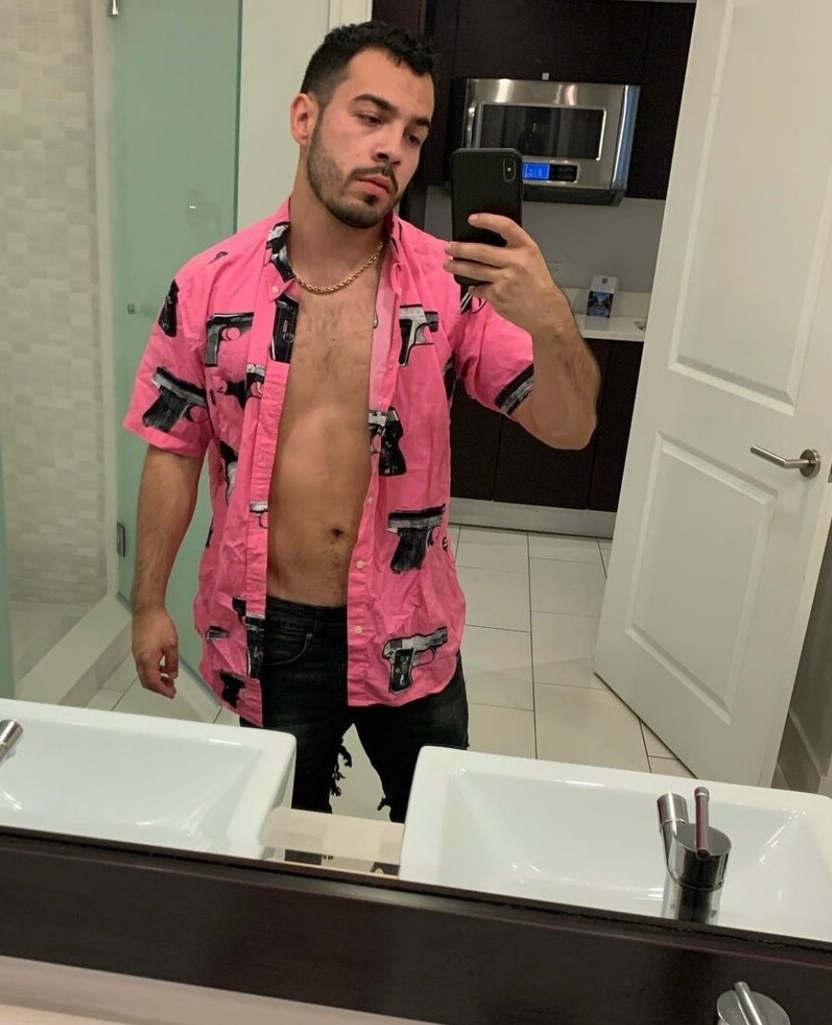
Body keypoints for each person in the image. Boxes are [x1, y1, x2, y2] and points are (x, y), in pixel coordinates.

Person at [124, 21, 599, 823]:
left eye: (413, 134)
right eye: (371, 117)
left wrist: (552, 319)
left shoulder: (449, 286)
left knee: (437, 834)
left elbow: (571, 427)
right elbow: (172, 448)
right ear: (304, 117)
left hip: (409, 622)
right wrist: (147, 602)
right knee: (282, 843)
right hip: (271, 632)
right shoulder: (208, 285)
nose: (392, 150)